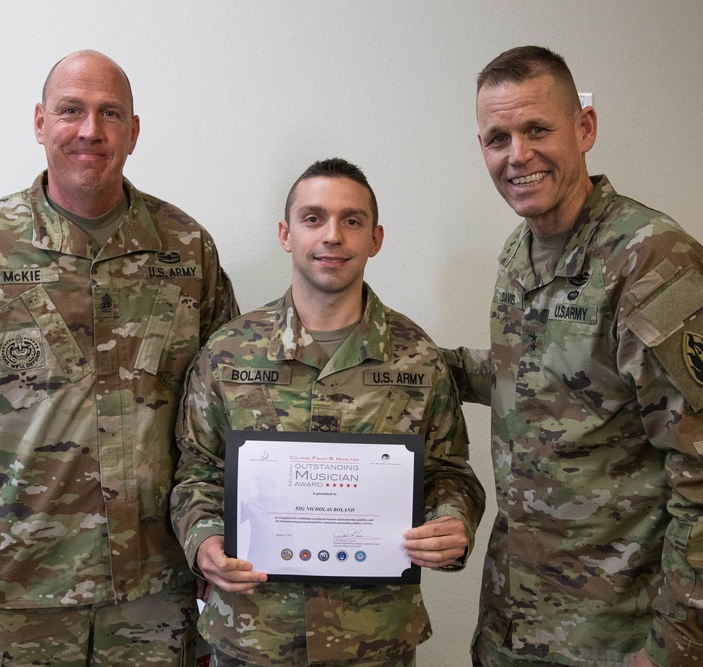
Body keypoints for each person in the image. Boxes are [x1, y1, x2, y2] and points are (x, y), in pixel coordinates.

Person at [0, 50, 238, 666]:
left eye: (109, 113)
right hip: (14, 592)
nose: (90, 130)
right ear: (40, 122)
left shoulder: (187, 248)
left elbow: (225, 425)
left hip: (157, 594)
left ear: (133, 131)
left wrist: (217, 541)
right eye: (71, 110)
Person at [443, 46, 703, 667]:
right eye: (497, 137)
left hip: (620, 636)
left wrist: (678, 650)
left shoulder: (652, 261)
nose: (518, 155)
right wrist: (416, 365)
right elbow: (543, 377)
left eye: (538, 129)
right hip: (519, 620)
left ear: (584, 128)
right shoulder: (521, 251)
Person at [171, 158, 485, 666]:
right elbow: (197, 471)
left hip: (374, 639)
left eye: (352, 220)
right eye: (313, 218)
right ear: (286, 233)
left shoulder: (418, 359)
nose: (332, 236)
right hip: (253, 635)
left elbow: (451, 473)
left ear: (375, 238)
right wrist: (203, 539)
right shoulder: (227, 353)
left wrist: (452, 520)